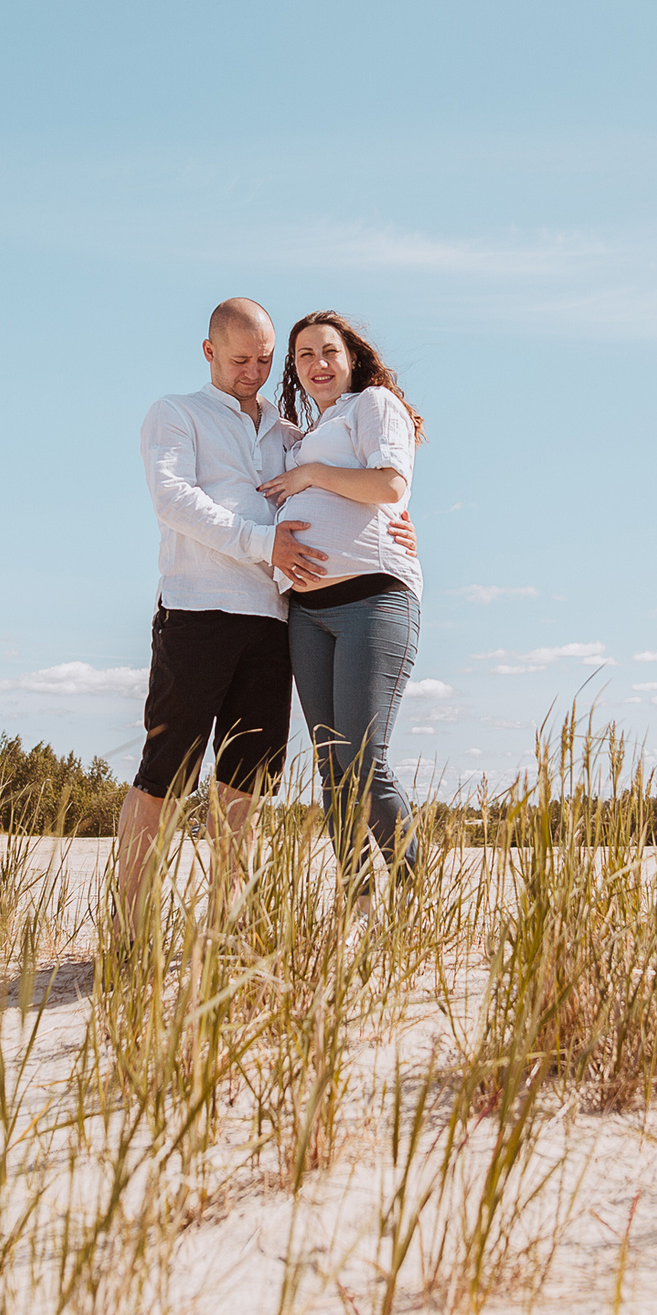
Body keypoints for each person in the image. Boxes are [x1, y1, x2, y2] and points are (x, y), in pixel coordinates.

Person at [112, 297, 411, 929]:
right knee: (166, 775)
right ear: (209, 353)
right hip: (199, 612)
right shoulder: (177, 414)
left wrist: (402, 530)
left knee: (246, 785)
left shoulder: (291, 435)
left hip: (278, 622)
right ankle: (133, 929)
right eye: (240, 359)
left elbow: (360, 489)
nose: (254, 371)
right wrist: (260, 543)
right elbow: (172, 500)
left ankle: (228, 925)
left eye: (265, 359)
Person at [258, 310, 425, 898]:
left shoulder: (372, 405)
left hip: (372, 601)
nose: (317, 364)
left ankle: (411, 895)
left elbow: (389, 486)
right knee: (332, 771)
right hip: (307, 614)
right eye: (303, 355)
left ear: (350, 357)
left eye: (328, 351)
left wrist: (310, 475)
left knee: (364, 764)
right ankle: (356, 901)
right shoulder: (306, 435)